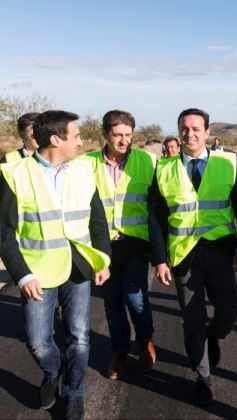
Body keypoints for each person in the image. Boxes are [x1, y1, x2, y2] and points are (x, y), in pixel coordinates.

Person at [0, 110, 111, 420]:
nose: (81, 141)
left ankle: (74, 393)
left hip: (79, 269)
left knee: (79, 337)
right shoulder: (14, 174)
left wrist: (103, 259)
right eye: (75, 135)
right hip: (37, 273)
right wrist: (21, 276)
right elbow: (4, 233)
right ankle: (53, 372)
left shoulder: (84, 170)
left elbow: (98, 221)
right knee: (37, 342)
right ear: (55, 138)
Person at [148, 108, 237, 406]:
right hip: (184, 255)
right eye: (184, 128)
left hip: (220, 251)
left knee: (229, 312)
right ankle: (203, 376)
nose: (189, 134)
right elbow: (156, 217)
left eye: (196, 128)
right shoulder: (164, 169)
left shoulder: (229, 164)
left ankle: (214, 336)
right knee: (192, 319)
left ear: (207, 132)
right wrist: (159, 259)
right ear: (178, 132)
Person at [82, 110, 157, 380]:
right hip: (102, 247)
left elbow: (157, 206)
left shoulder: (147, 161)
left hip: (135, 244)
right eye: (117, 135)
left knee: (135, 299)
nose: (123, 140)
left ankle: (145, 340)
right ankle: (120, 351)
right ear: (105, 135)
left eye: (128, 134)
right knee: (112, 303)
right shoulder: (85, 163)